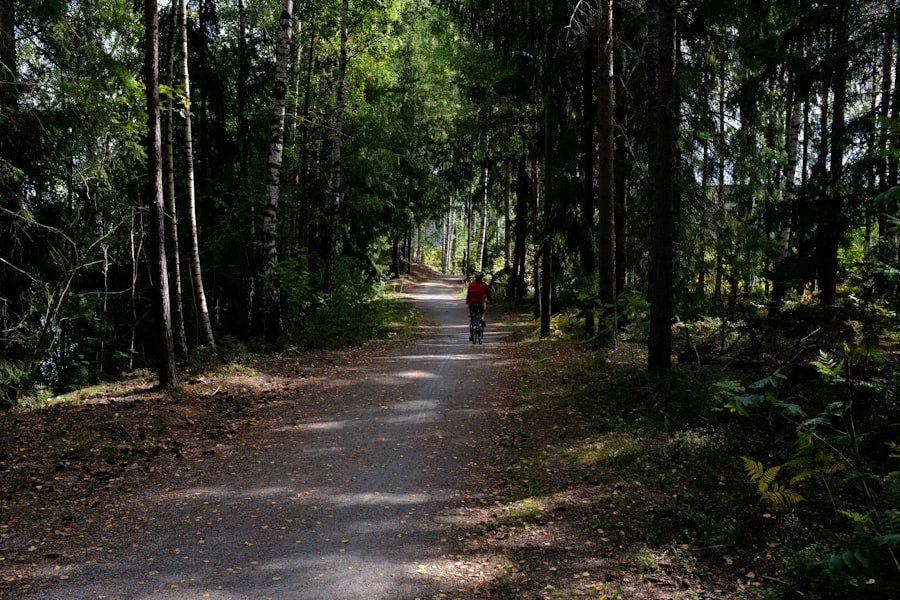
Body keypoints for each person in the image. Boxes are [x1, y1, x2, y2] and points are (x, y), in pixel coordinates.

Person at [466, 271, 490, 340]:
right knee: (483, 306)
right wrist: (490, 300)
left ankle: (472, 329)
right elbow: (488, 294)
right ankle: (482, 318)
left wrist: (467, 301)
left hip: (472, 302)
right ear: (481, 278)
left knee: (472, 314)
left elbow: (468, 294)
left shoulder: (471, 284)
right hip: (480, 302)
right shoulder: (484, 285)